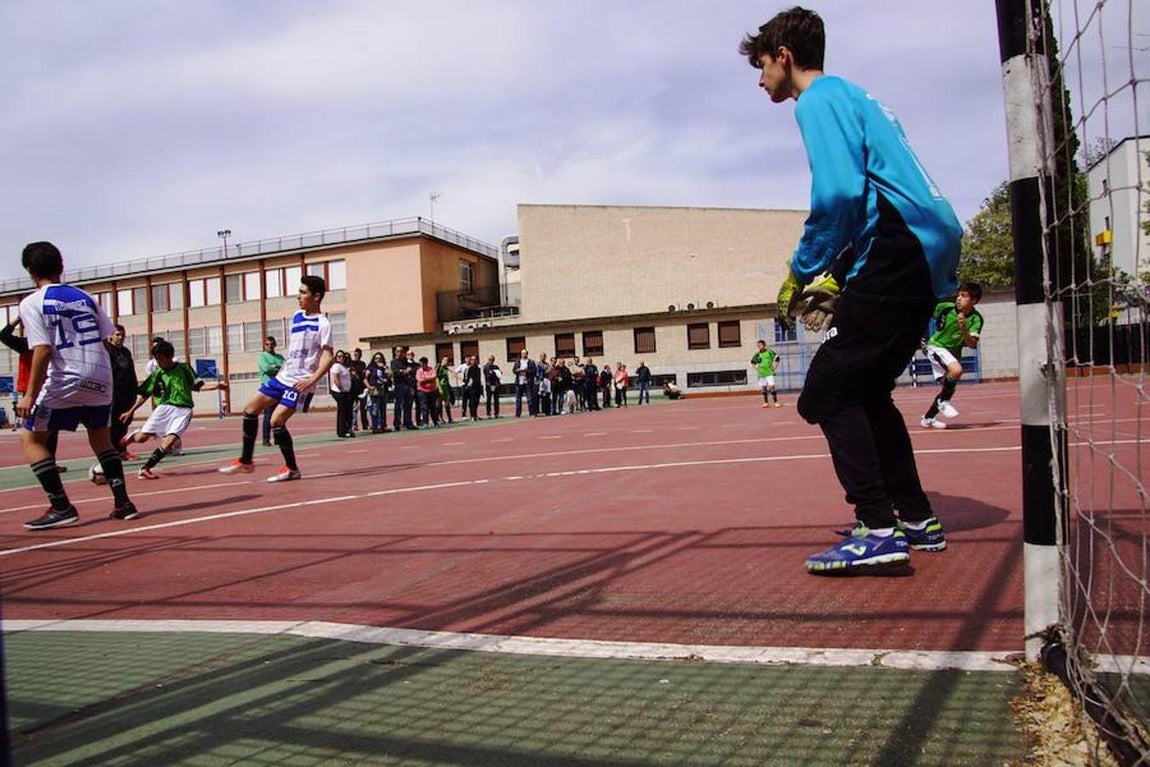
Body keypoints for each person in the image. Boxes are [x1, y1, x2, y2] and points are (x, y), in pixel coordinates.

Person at [741, 7, 962, 572]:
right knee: (866, 391)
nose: (760, 78)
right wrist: (845, 271)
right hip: (921, 248)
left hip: (900, 246)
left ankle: (878, 528)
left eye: (761, 65)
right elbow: (873, 191)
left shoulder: (817, 99)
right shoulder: (860, 97)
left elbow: (839, 194)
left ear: (784, 56)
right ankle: (916, 517)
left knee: (827, 391)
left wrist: (804, 267)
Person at [17, 241, 140, 528]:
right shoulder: (85, 297)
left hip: (66, 377)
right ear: (61, 267)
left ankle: (61, 507)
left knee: (31, 439)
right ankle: (123, 502)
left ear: (30, 271)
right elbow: (107, 334)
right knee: (101, 439)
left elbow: (43, 350)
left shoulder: (32, 303)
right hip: (100, 374)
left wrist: (28, 396)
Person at [219, 274, 334, 481]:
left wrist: (312, 380)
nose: (298, 296)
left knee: (276, 420)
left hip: (300, 382)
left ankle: (292, 468)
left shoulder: (323, 323)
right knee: (250, 409)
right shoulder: (296, 316)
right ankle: (246, 461)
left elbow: (328, 356)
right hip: (283, 377)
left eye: (303, 292)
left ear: (316, 296)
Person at [119, 340, 227, 478]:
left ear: (169, 357)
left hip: (184, 410)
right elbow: (145, 394)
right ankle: (132, 436)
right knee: (142, 438)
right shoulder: (157, 373)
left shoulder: (184, 368)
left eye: (160, 359)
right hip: (164, 409)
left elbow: (198, 386)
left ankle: (146, 468)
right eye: (156, 359)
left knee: (170, 441)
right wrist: (131, 411)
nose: (158, 362)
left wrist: (217, 386)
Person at [1, 315, 65, 467]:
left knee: (51, 428)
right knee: (35, 428)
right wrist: (17, 319)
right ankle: (40, 460)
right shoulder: (25, 344)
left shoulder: (52, 344)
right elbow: (3, 335)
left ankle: (51, 462)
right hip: (31, 392)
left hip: (50, 389)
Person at [920, 282, 983, 429]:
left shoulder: (976, 319)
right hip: (936, 346)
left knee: (948, 388)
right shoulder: (946, 307)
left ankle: (928, 418)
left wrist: (964, 329)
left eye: (964, 296)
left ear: (973, 301)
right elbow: (922, 312)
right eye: (959, 295)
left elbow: (972, 344)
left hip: (952, 352)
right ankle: (943, 403)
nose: (959, 298)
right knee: (956, 371)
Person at [257, 336, 284, 446]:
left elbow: (285, 368)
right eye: (267, 344)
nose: (270, 346)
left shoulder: (279, 357)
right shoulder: (262, 357)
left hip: (280, 386)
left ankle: (278, 438)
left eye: (272, 344)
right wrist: (276, 367)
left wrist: (276, 367)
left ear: (275, 345)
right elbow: (267, 369)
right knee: (268, 414)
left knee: (280, 414)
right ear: (265, 345)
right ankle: (266, 439)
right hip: (268, 388)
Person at [329, 350, 354, 438]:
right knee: (342, 412)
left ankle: (346, 429)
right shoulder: (336, 366)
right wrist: (341, 389)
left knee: (346, 411)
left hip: (345, 392)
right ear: (336, 358)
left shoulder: (343, 366)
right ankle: (341, 431)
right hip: (340, 392)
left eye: (342, 356)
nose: (341, 358)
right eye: (339, 356)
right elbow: (336, 378)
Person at [751, 339, 781, 408]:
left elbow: (777, 358)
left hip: (769, 372)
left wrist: (775, 366)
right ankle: (766, 402)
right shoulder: (757, 354)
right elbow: (752, 362)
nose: (759, 346)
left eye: (760, 345)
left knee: (772, 386)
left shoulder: (769, 352)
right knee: (763, 388)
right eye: (758, 345)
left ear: (764, 345)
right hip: (761, 373)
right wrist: (757, 368)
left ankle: (776, 402)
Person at [366, 351, 391, 432]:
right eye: (376, 358)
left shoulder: (384, 367)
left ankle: (383, 426)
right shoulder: (371, 368)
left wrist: (384, 367)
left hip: (383, 390)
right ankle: (375, 426)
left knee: (383, 408)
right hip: (375, 390)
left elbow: (391, 374)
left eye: (380, 358)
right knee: (375, 408)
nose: (378, 360)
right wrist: (369, 387)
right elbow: (365, 378)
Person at [415, 356, 440, 427]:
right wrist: (429, 379)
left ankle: (435, 422)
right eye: (420, 364)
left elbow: (434, 376)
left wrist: (425, 378)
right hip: (422, 391)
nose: (421, 365)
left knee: (433, 407)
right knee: (424, 407)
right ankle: (425, 423)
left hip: (432, 391)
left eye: (422, 364)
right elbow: (419, 380)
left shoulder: (431, 369)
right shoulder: (419, 371)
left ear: (426, 363)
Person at [512, 349, 536, 417]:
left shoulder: (531, 362)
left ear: (527, 354)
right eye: (522, 353)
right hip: (519, 382)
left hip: (528, 382)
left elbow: (534, 371)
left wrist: (527, 370)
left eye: (525, 353)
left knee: (530, 398)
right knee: (518, 399)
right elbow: (513, 370)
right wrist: (518, 370)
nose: (523, 355)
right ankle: (518, 414)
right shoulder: (517, 362)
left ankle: (532, 413)